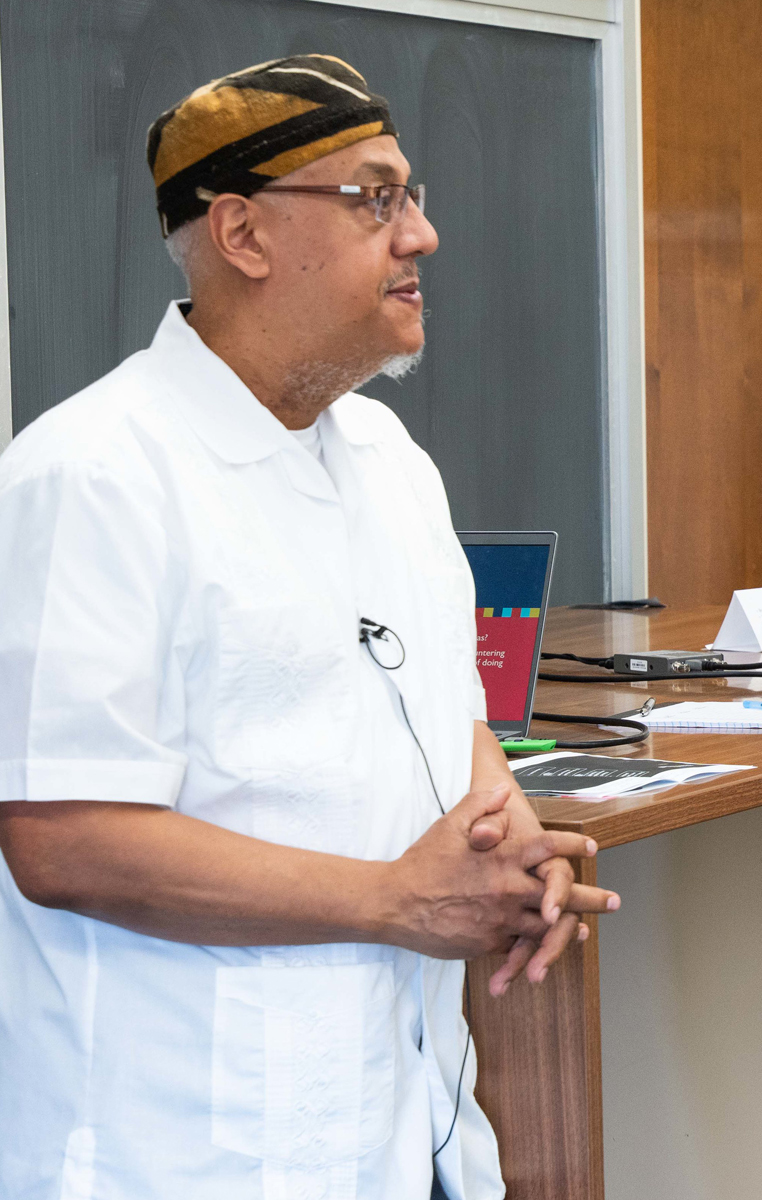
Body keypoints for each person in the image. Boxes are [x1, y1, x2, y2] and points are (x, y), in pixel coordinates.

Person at [0, 56, 617, 1200]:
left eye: (412, 195)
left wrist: (508, 835)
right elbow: (64, 839)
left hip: (405, 1128)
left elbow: (447, 716)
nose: (421, 234)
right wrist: (399, 899)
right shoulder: (90, 477)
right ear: (242, 233)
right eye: (374, 199)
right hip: (184, 1153)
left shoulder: (390, 463)